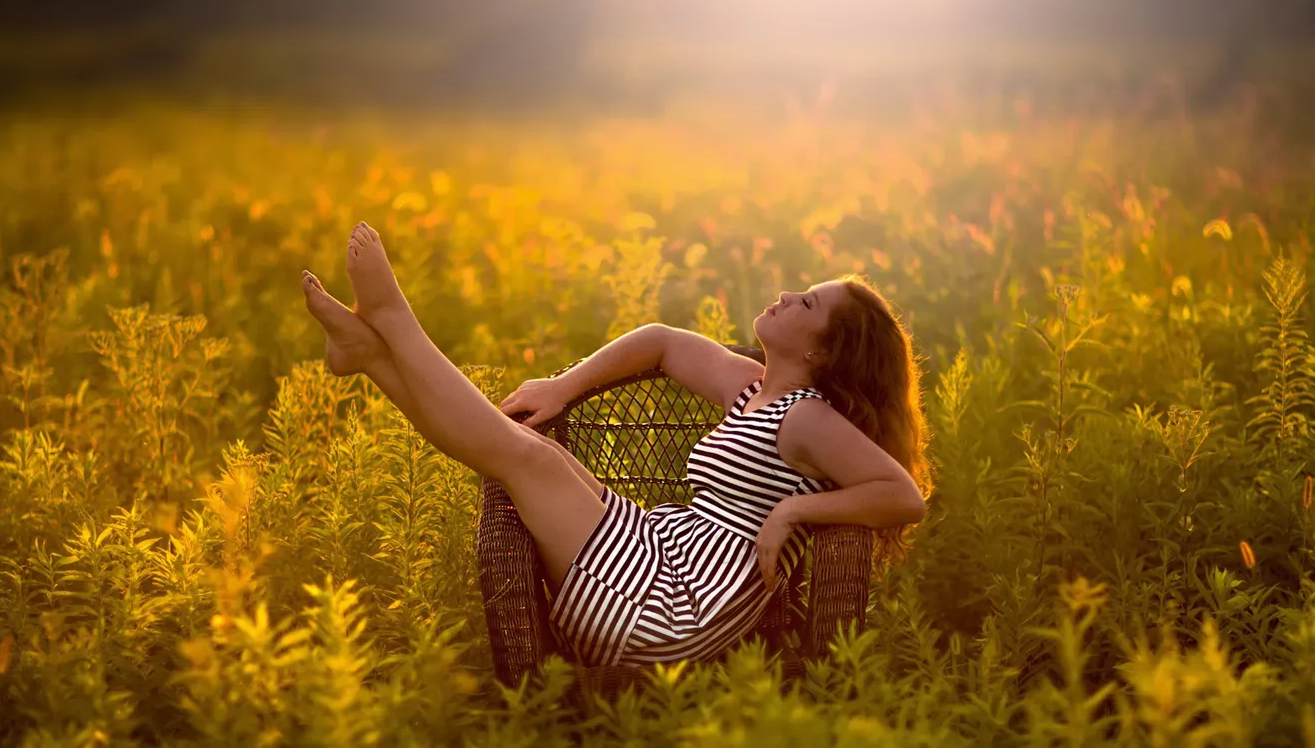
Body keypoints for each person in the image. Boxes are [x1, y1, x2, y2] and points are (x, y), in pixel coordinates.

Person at [302, 222, 931, 667]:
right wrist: (564, 385)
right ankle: (372, 357)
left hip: (663, 611)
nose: (790, 293)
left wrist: (794, 510)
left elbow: (903, 496)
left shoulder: (809, 419)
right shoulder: (752, 385)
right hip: (653, 551)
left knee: (520, 455)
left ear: (822, 350)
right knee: (531, 451)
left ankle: (391, 324)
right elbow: (660, 341)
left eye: (808, 302)